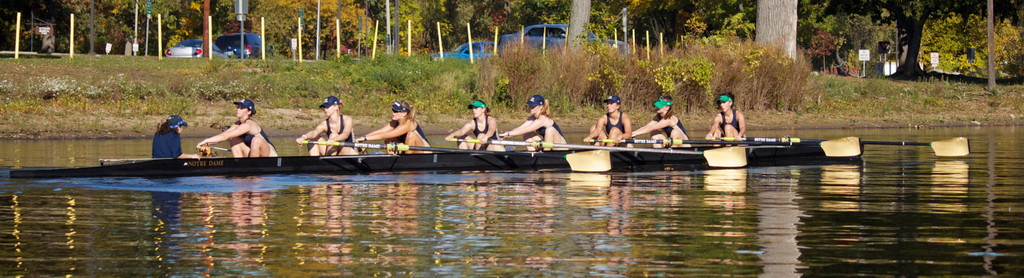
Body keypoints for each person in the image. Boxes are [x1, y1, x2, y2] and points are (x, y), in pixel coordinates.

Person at [196, 99, 279, 157]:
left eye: (242, 108)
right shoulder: (237, 124)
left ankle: (252, 168)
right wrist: (205, 144)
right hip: (255, 154)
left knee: (256, 140)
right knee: (234, 139)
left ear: (249, 112)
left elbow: (225, 137)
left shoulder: (248, 125)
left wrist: (205, 140)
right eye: (238, 107)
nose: (238, 109)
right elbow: (223, 135)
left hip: (269, 155)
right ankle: (239, 166)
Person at [355, 100, 431, 154]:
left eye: (396, 111)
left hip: (424, 151)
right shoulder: (395, 122)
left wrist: (365, 139)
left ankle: (407, 163)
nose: (393, 113)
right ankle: (391, 159)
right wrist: (363, 137)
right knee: (389, 139)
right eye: (392, 110)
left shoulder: (409, 123)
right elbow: (381, 132)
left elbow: (385, 134)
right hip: (408, 148)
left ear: (404, 113)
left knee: (410, 135)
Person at [498, 94, 567, 151]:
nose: (531, 107)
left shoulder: (542, 119)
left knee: (550, 129)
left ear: (541, 106)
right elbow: (521, 128)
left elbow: (527, 129)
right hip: (547, 142)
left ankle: (546, 154)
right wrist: (505, 135)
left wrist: (508, 134)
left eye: (533, 106)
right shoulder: (532, 118)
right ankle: (532, 153)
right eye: (530, 105)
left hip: (560, 146)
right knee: (526, 133)